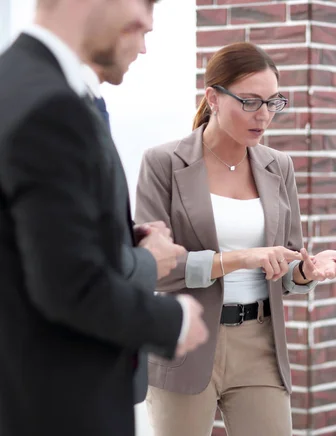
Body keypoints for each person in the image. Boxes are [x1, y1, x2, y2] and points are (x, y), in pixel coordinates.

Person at [0, 1, 208, 435]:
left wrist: (114, 237)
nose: (148, 24)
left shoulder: (16, 83)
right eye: (146, 5)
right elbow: (69, 287)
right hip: (57, 408)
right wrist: (174, 321)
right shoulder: (52, 108)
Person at [135, 41, 336, 436]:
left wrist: (304, 271)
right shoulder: (163, 163)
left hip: (261, 344)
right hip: (185, 339)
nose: (264, 115)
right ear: (213, 98)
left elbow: (284, 266)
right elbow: (151, 269)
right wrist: (240, 259)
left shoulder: (278, 166)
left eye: (273, 102)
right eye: (251, 102)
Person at [82, 0, 157, 405]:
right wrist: (149, 260)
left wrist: (129, 239)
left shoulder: (91, 105)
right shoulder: (50, 109)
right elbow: (66, 267)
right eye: (139, 29)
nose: (143, 48)